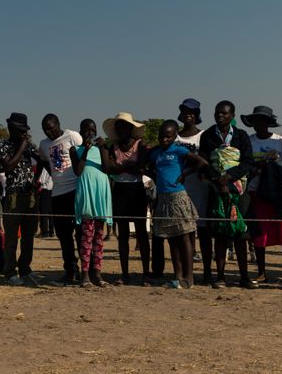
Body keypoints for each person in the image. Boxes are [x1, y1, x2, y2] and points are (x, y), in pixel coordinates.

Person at [242, 106, 282, 286]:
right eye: (256, 120)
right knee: (259, 234)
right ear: (252, 123)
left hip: (279, 194)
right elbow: (245, 166)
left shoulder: (280, 141)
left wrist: (274, 164)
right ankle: (261, 272)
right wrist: (260, 164)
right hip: (256, 192)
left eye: (263, 120)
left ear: (269, 123)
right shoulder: (249, 142)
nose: (260, 124)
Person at [199, 101, 257, 289]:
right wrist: (218, 180)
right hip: (216, 190)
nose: (220, 116)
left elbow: (248, 162)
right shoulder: (208, 136)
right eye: (217, 113)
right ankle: (221, 276)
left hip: (239, 190)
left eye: (224, 113)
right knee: (220, 234)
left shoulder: (241, 136)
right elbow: (204, 162)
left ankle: (244, 277)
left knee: (241, 233)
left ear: (232, 115)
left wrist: (229, 177)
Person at [144, 120, 208, 289]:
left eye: (168, 136)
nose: (164, 139)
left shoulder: (178, 150)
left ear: (174, 137)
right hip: (163, 198)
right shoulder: (156, 153)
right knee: (171, 239)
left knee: (184, 238)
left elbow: (202, 162)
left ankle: (189, 277)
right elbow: (145, 166)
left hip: (178, 197)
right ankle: (178, 276)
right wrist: (152, 174)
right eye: (161, 136)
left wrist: (185, 173)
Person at [103, 112, 151, 286]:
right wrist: (128, 166)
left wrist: (120, 167)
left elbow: (140, 168)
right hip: (120, 191)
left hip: (136, 190)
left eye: (124, 126)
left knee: (141, 234)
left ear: (131, 128)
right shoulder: (112, 146)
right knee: (122, 235)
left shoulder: (141, 145)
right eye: (119, 127)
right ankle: (125, 274)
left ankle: (146, 274)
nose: (121, 130)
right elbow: (108, 168)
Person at [39, 113, 83, 284]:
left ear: (58, 124)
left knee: (80, 232)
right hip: (57, 193)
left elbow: (84, 157)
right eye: (45, 130)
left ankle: (86, 269)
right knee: (63, 235)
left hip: (75, 190)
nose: (48, 132)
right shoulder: (44, 145)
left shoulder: (72, 136)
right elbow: (43, 161)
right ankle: (71, 270)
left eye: (50, 128)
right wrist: (53, 175)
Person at [0, 112, 40, 286]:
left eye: (25, 131)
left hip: (29, 195)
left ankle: (25, 268)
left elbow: (42, 161)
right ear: (11, 129)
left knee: (29, 235)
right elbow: (7, 167)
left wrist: (38, 179)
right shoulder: (3, 146)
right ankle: (10, 271)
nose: (23, 134)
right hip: (13, 196)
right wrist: (21, 148)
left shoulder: (29, 147)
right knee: (12, 237)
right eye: (20, 130)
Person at [69, 120, 112, 288]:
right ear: (80, 132)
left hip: (100, 194)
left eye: (93, 130)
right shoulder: (75, 150)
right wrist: (85, 150)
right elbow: (78, 171)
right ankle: (85, 274)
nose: (90, 133)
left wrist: (103, 148)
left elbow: (107, 169)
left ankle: (98, 274)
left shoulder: (102, 149)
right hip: (87, 194)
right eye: (87, 130)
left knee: (99, 238)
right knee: (87, 236)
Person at [174, 98, 211, 282]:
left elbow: (204, 160)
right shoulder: (175, 136)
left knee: (202, 229)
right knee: (183, 231)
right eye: (185, 111)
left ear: (196, 115)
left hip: (199, 186)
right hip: (179, 188)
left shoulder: (203, 136)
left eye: (192, 112)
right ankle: (185, 272)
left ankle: (207, 271)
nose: (188, 115)